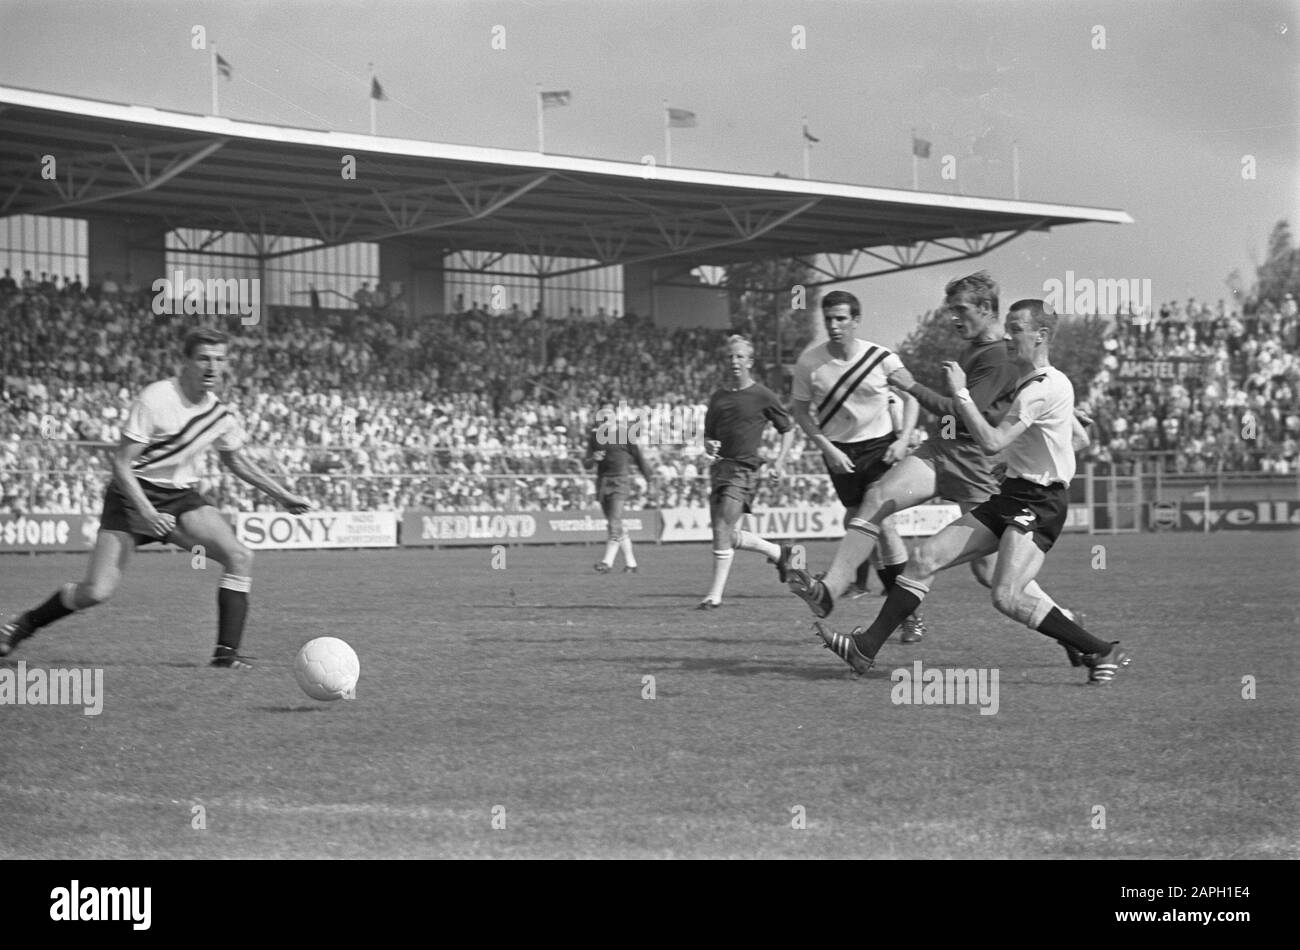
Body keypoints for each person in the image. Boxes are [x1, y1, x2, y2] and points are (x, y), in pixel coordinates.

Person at [813, 300, 1132, 686]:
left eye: (1016, 329)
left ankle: (1100, 649)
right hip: (1013, 493)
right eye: (1007, 327)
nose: (1007, 335)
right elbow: (1076, 439)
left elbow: (992, 441)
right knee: (924, 558)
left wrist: (962, 396)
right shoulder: (1032, 383)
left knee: (1006, 596)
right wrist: (1024, 457)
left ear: (1041, 335)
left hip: (1039, 504)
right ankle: (864, 648)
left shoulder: (1043, 387)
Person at [0, 328, 314, 669]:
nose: (212, 367)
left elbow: (235, 459)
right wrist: (147, 513)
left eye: (220, 360)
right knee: (96, 591)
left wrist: (282, 495)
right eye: (204, 358)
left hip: (181, 499)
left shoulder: (220, 415)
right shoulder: (156, 398)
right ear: (186, 362)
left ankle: (226, 657)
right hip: (132, 497)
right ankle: (23, 625)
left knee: (239, 556)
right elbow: (121, 464)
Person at [787, 290, 924, 637]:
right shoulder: (809, 363)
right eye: (829, 319)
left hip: (879, 449)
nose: (834, 326)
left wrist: (903, 439)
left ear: (856, 321)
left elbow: (912, 398)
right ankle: (886, 600)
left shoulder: (881, 358)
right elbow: (801, 413)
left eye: (841, 319)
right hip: (839, 453)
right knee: (861, 529)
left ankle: (908, 615)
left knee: (884, 527)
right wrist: (828, 450)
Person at [697, 335, 797, 609]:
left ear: (750, 361)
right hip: (720, 468)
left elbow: (787, 429)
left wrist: (779, 462)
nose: (734, 361)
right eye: (731, 356)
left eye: (740, 356)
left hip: (744, 470)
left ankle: (713, 597)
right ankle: (779, 553)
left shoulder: (762, 395)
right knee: (725, 535)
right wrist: (708, 443)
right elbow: (707, 436)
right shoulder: (718, 398)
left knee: (721, 528)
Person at [585, 396, 653, 573]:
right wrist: (593, 459)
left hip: (620, 481)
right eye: (603, 411)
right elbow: (586, 463)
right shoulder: (595, 436)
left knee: (614, 521)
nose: (606, 414)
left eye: (609, 411)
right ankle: (631, 563)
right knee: (615, 524)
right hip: (603, 482)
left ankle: (607, 562)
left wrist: (649, 480)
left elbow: (639, 459)